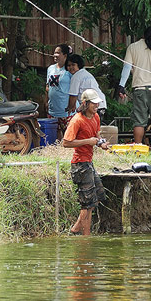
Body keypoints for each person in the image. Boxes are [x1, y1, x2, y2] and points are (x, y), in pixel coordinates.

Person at [117, 25, 151, 153]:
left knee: (139, 119)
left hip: (139, 89)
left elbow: (126, 67)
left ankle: (138, 145)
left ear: (143, 35)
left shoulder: (133, 47)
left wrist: (121, 85)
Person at [62, 89, 110, 235]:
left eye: (97, 103)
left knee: (98, 197)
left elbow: (96, 135)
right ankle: (83, 234)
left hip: (89, 163)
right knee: (87, 203)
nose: (96, 105)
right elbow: (66, 142)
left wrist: (100, 143)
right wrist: (88, 141)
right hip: (80, 164)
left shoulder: (96, 117)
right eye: (93, 103)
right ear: (85, 103)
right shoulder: (77, 120)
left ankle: (79, 230)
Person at [66, 54, 107, 119]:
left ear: (78, 65)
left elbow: (73, 95)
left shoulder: (76, 76)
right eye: (69, 65)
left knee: (89, 127)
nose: (71, 67)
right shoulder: (85, 73)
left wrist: (70, 108)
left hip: (92, 105)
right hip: (100, 104)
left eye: (73, 65)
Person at [46, 44, 72, 119]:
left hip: (66, 112)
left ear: (65, 55)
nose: (55, 55)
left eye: (58, 53)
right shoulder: (50, 68)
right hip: (52, 111)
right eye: (54, 53)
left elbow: (75, 89)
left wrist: (71, 106)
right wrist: (46, 102)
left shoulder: (69, 70)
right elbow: (48, 86)